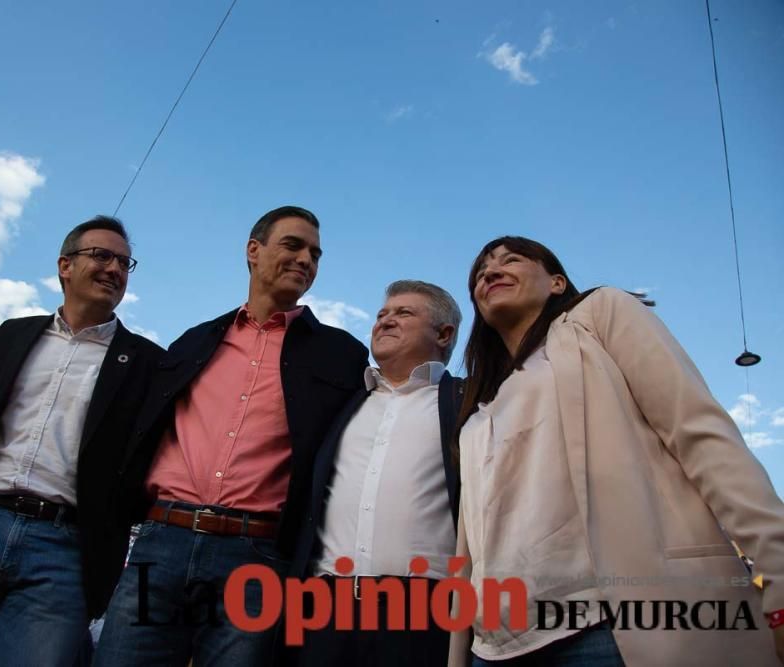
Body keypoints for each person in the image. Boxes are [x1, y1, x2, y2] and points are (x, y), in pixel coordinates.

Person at [449, 236, 784, 666]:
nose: (489, 273)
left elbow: (698, 432)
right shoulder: (482, 405)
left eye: (510, 260)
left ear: (556, 282)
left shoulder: (598, 314)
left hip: (608, 627)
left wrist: (775, 561)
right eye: (480, 272)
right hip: (495, 645)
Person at [93, 205, 369, 666]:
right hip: (160, 545)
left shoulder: (342, 356)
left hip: (257, 558)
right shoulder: (194, 342)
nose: (306, 260)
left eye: (316, 255)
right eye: (293, 245)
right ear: (254, 251)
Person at [0, 215, 163, 666]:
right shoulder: (13, 335)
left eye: (125, 263)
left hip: (64, 553)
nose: (114, 269)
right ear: (65, 265)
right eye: (100, 256)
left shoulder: (145, 362)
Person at [289, 280, 464, 666]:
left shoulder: (468, 404)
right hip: (325, 607)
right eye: (382, 314)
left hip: (423, 611)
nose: (385, 321)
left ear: (444, 333)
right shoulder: (343, 405)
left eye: (404, 313)